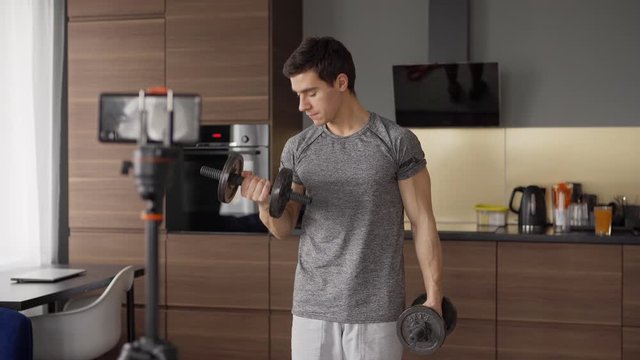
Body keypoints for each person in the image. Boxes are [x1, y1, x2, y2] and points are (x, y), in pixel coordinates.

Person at [241, 36, 443, 360]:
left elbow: (422, 221)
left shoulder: (396, 142)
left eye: (311, 92)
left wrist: (434, 295)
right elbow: (283, 228)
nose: (302, 105)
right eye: (298, 95)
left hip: (376, 310)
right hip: (311, 308)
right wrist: (266, 204)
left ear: (341, 82)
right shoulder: (298, 147)